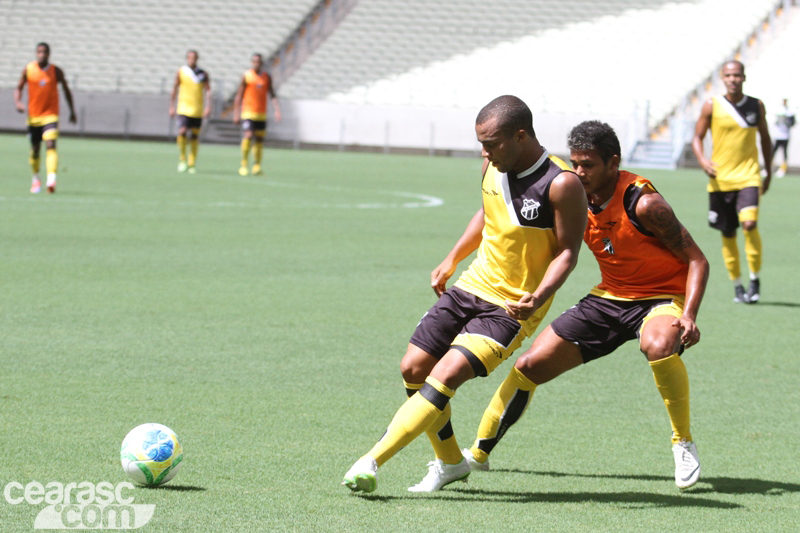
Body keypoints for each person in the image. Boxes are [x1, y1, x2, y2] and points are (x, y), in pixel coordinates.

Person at [341, 95, 588, 494]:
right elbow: (489, 210)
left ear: (520, 136)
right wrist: (453, 257)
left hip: (512, 306)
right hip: (471, 286)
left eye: (491, 143)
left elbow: (568, 254)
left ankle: (371, 459)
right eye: (482, 144)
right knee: (413, 368)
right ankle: (451, 462)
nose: (484, 152)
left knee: (446, 375)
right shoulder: (495, 164)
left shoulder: (562, 184)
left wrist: (540, 295)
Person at [462, 121, 710, 491]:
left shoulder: (644, 203)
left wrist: (688, 315)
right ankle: (478, 454)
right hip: (609, 298)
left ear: (613, 163)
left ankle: (683, 442)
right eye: (575, 163)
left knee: (657, 344)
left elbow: (697, 260)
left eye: (589, 165)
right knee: (528, 366)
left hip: (660, 299)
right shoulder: (572, 194)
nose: (579, 172)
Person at [692, 60, 771, 304]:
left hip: (748, 176)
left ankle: (755, 279)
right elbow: (697, 136)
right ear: (722, 79)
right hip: (720, 180)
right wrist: (703, 161)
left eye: (737, 75)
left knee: (748, 224)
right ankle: (737, 285)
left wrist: (766, 171)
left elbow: (766, 139)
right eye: (728, 75)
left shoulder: (756, 106)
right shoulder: (711, 105)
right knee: (728, 233)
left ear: (744, 77)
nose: (733, 79)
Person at [13, 42, 77, 194]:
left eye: (45, 52)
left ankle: (51, 179)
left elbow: (66, 90)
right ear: (36, 53)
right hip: (34, 117)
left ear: (49, 54)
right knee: (35, 149)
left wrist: (72, 110)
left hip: (50, 115)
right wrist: (18, 102)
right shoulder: (29, 69)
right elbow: (19, 87)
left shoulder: (56, 71)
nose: (42, 54)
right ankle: (36, 179)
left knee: (50, 144)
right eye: (39, 52)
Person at [233, 53, 281, 176]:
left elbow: (272, 94)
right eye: (254, 61)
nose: (256, 64)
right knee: (248, 135)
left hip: (261, 113)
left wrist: (277, 110)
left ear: (261, 63)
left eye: (258, 62)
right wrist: (236, 112)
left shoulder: (266, 77)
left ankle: (257, 165)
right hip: (248, 112)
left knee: (259, 139)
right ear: (251, 62)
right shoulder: (246, 76)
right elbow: (239, 95)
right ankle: (243, 164)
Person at [169, 50, 211, 174]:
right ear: (187, 58)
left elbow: (208, 90)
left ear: (197, 59)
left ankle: (192, 162)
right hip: (183, 108)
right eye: (190, 57)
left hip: (197, 109)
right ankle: (182, 159)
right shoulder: (181, 71)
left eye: (194, 57)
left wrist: (208, 106)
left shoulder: (203, 74)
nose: (192, 59)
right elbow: (175, 88)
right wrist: (171, 106)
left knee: (194, 135)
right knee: (182, 132)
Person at [772, 98, 794, 178]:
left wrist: (787, 122)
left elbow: (792, 123)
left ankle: (783, 169)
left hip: (785, 136)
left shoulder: (789, 112)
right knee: (773, 151)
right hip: (778, 135)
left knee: (784, 152)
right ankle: (770, 167)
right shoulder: (778, 110)